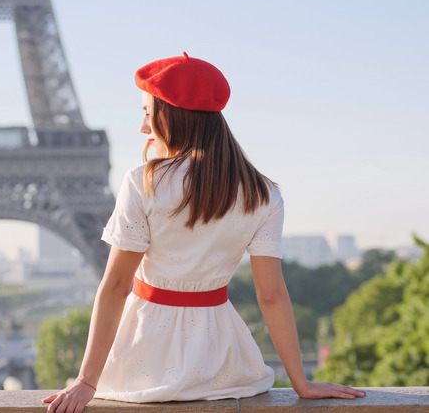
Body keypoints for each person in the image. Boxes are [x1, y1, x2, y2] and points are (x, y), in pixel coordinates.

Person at [42, 53, 366, 413]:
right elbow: (271, 295)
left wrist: (87, 380)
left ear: (172, 115)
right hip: (222, 361)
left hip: (143, 355)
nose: (142, 127)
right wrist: (301, 382)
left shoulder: (143, 182)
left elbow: (117, 286)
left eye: (147, 112)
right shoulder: (265, 195)